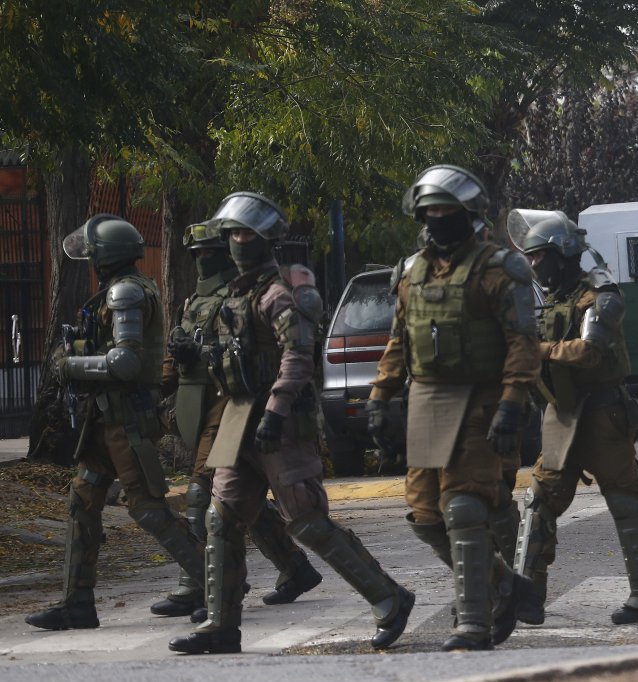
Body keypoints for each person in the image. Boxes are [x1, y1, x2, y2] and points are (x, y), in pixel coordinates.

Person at [168, 192, 414, 654]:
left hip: (279, 425)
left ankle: (390, 599)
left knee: (306, 521)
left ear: (264, 241)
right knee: (221, 519)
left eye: (247, 234)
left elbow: (298, 357)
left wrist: (276, 410)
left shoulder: (278, 295)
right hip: (238, 419)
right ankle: (221, 626)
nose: (239, 241)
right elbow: (231, 357)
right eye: (234, 233)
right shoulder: (235, 296)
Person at [367, 165, 537, 651]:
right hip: (427, 402)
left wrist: (511, 403)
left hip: (481, 401)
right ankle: (503, 585)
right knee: (425, 517)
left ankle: (474, 623)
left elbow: (523, 342)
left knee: (463, 508)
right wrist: (380, 396)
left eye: (446, 210)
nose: (437, 218)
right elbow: (399, 341)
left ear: (469, 213)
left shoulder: (500, 270)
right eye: (430, 211)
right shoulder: (411, 272)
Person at [26, 214, 206, 631]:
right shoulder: (120, 290)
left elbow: (124, 362)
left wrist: (69, 364)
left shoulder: (125, 292)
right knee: (83, 499)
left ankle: (218, 582)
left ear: (105, 257)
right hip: (107, 420)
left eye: (92, 254)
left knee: (145, 508)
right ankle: (77, 603)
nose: (89, 260)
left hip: (127, 420)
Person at [156, 220, 321, 621]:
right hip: (206, 405)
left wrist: (200, 351)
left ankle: (199, 585)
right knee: (233, 504)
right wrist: (164, 377)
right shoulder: (198, 299)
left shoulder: (250, 293)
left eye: (209, 252)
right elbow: (180, 351)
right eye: (198, 254)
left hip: (233, 405)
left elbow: (245, 349)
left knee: (204, 497)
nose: (203, 261)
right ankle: (292, 568)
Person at [511, 209, 638, 626]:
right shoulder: (552, 301)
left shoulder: (601, 296)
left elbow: (589, 352)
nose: (533, 264)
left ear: (562, 253)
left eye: (538, 256)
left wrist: (538, 352)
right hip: (562, 414)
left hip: (602, 413)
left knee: (624, 499)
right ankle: (525, 597)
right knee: (540, 502)